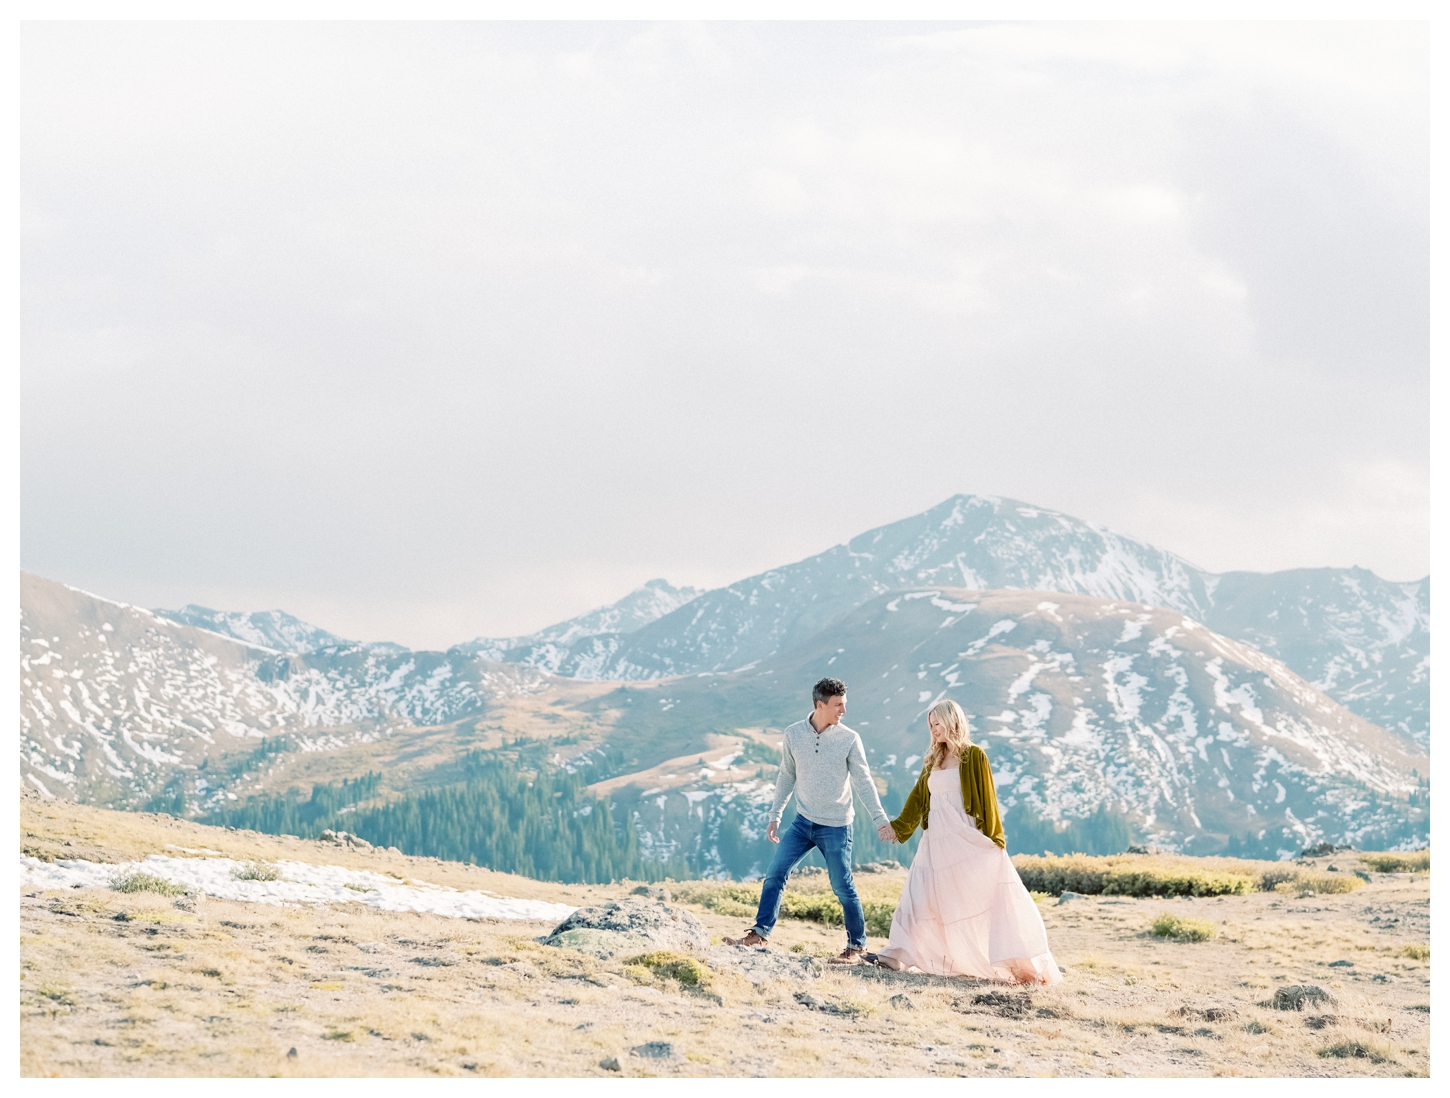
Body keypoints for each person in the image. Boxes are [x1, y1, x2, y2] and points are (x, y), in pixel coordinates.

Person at [873, 699, 1062, 984]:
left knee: (979, 899)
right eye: (931, 725)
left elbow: (988, 800)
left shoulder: (974, 756)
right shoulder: (933, 760)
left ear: (952, 721)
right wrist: (898, 827)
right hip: (935, 840)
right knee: (917, 895)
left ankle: (1020, 964)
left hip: (964, 838)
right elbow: (918, 798)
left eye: (938, 723)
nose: (934, 730)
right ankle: (895, 955)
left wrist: (994, 839)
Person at [722, 677, 897, 965]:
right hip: (803, 822)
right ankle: (759, 934)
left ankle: (857, 948)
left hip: (837, 826)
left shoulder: (849, 738)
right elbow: (786, 775)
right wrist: (775, 814)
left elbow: (863, 781)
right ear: (820, 705)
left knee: (842, 885)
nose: (843, 711)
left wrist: (880, 819)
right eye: (838, 705)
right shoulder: (793, 734)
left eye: (844, 704)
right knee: (775, 874)